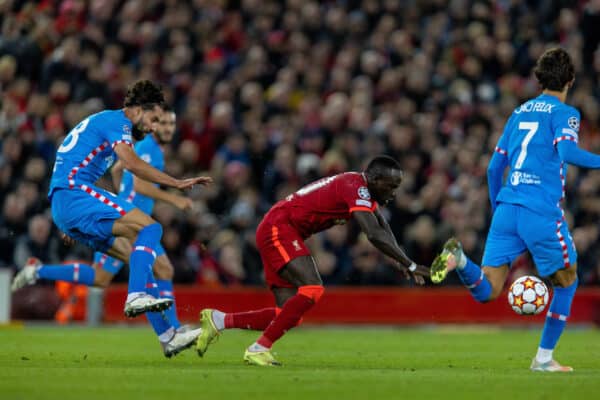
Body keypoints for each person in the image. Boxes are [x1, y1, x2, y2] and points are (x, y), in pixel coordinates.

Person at [12, 80, 211, 353]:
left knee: (136, 261)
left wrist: (75, 216)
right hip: (73, 194)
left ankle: (168, 336)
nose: (153, 128)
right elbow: (129, 164)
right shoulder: (117, 121)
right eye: (153, 119)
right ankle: (137, 296)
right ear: (138, 110)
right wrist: (176, 184)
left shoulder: (106, 124)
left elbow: (112, 168)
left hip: (70, 201)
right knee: (151, 230)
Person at [430, 48, 591, 372]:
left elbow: (493, 169)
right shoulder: (565, 113)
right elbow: (568, 152)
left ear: (538, 78)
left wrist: (498, 206)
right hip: (540, 210)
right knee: (567, 281)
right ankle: (543, 359)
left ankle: (460, 259)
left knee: (488, 291)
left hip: (507, 207)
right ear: (570, 80)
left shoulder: (518, 113)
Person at [195, 155, 429, 366]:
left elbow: (383, 228)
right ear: (375, 179)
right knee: (313, 288)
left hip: (283, 230)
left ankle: (219, 320)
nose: (394, 192)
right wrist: (410, 265)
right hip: (279, 228)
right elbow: (373, 234)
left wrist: (403, 261)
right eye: (391, 186)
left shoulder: (361, 188)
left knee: (286, 314)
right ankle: (259, 348)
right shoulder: (355, 187)